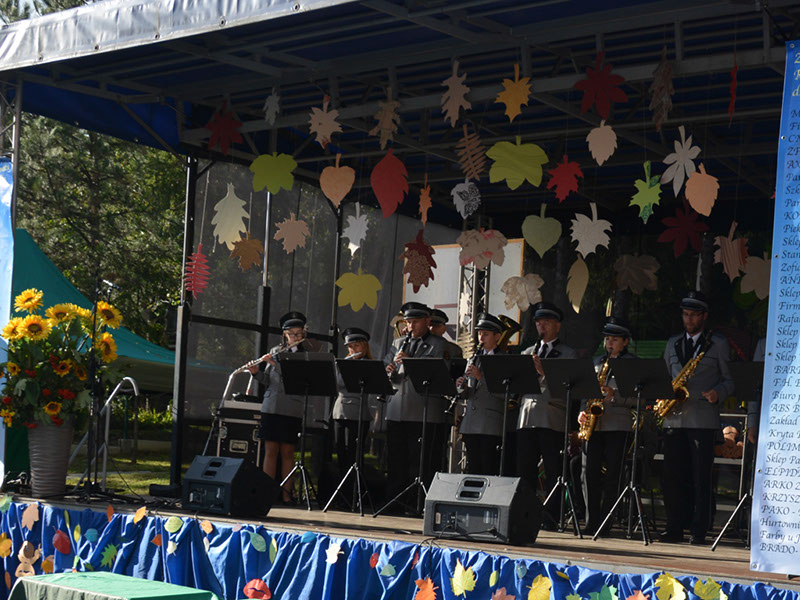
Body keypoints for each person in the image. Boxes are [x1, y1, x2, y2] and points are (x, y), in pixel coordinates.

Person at [660, 290, 734, 545]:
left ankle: (699, 529)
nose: (688, 319)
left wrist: (718, 393)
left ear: (704, 316)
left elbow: (730, 380)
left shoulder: (718, 343)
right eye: (685, 314)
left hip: (702, 418)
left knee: (701, 478)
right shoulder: (672, 343)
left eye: (693, 315)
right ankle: (674, 527)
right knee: (673, 477)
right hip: (674, 418)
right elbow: (664, 378)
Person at [516, 301, 577, 523]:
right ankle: (526, 513)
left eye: (547, 322)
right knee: (525, 468)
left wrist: (544, 371)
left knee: (553, 469)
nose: (542, 326)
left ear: (557, 326)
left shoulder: (568, 354)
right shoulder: (527, 351)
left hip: (552, 416)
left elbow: (569, 387)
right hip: (527, 417)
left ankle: (552, 515)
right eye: (539, 322)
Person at [384, 302, 448, 504]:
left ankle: (417, 502)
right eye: (408, 322)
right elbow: (386, 366)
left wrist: (409, 361)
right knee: (396, 458)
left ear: (427, 321)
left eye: (415, 322)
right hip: (397, 409)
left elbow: (436, 373)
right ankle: (395, 501)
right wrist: (389, 369)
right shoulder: (398, 343)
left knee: (419, 460)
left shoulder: (438, 344)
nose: (410, 326)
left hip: (422, 410)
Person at [578, 317, 636, 537]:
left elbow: (637, 398)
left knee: (613, 475)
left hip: (618, 424)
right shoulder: (597, 361)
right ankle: (591, 520)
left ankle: (606, 522)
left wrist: (615, 396)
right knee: (588, 472)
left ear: (625, 342)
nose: (609, 343)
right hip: (595, 425)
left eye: (615, 339)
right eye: (607, 339)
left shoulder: (631, 363)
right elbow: (586, 391)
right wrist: (582, 410)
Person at [249, 311, 314, 504]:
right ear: (285, 334)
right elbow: (269, 380)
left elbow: (294, 379)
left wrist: (274, 364)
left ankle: (286, 495)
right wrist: (256, 373)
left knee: (287, 452)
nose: (295, 336)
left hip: (291, 408)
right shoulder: (276, 350)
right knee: (270, 450)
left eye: (298, 333)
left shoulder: (305, 355)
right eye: (291, 333)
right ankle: (267, 494)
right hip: (271, 407)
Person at [456, 312, 506, 475]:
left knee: (488, 468)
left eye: (486, 334)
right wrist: (461, 387)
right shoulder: (473, 359)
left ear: (497, 336)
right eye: (479, 334)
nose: (481, 338)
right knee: (473, 468)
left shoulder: (503, 359)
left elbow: (504, 392)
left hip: (490, 424)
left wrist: (480, 377)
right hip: (471, 423)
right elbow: (468, 393)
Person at [332, 327, 373, 476]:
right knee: (341, 452)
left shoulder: (369, 365)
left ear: (365, 346)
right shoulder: (342, 363)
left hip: (358, 412)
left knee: (353, 454)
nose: (353, 349)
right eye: (350, 346)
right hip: (340, 412)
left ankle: (354, 486)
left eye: (356, 345)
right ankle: (342, 486)